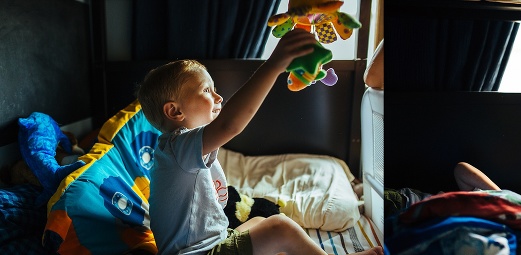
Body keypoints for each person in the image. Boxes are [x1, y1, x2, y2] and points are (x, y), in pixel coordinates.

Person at [137, 29, 383, 255]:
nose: (218, 97)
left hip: (212, 244)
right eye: (206, 91)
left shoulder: (180, 149)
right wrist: (274, 65)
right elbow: (230, 125)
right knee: (279, 227)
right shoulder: (177, 147)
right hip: (199, 253)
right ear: (175, 112)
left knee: (257, 223)